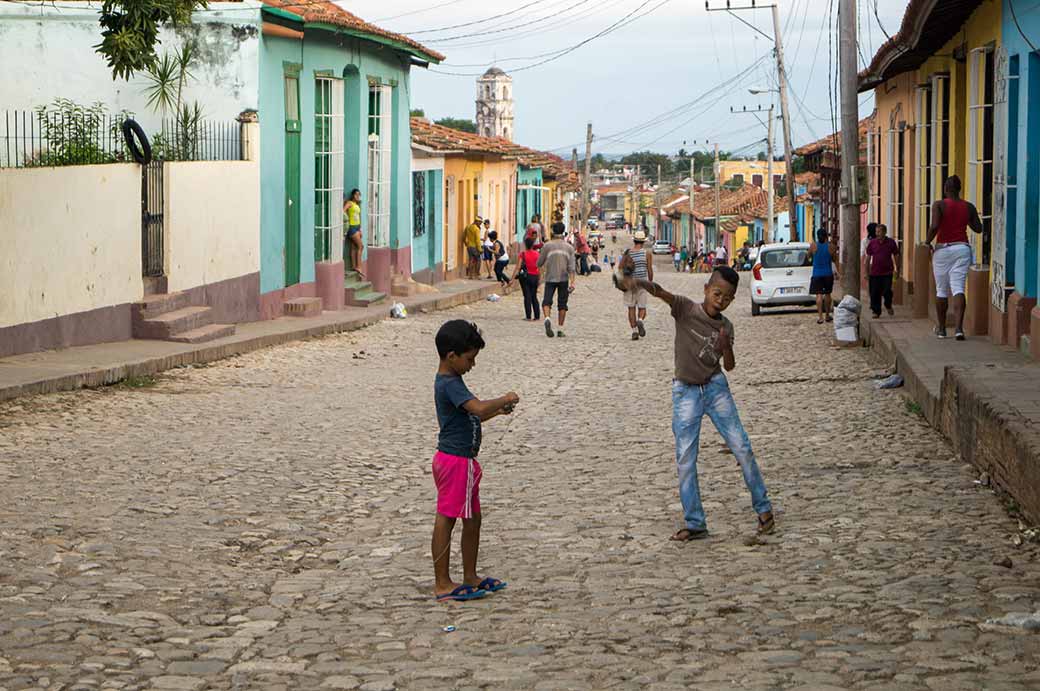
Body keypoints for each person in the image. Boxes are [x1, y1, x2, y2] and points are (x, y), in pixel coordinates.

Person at [617, 267, 774, 541]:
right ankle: (695, 521)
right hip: (686, 391)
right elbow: (661, 293)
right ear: (705, 289)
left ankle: (765, 511)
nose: (720, 301)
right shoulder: (686, 309)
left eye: (727, 298)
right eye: (717, 294)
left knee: (742, 447)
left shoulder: (727, 326)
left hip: (715, 388)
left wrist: (726, 346)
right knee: (686, 459)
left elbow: (730, 366)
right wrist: (638, 282)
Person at [431, 320, 518, 602]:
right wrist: (503, 397)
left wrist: (498, 412)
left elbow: (476, 415)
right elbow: (478, 407)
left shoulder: (454, 381)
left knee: (473, 519)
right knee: (447, 519)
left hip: (463, 463)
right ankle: (442, 583)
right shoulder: (449, 384)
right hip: (455, 462)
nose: (472, 365)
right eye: (470, 359)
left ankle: (470, 575)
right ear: (451, 356)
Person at [927, 175, 983, 340]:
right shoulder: (969, 206)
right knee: (958, 287)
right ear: (960, 189)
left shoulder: (939, 205)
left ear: (945, 188)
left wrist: (926, 241)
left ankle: (942, 329)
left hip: (943, 249)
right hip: (962, 249)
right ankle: (959, 329)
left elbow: (935, 226)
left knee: (941, 290)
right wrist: (967, 218)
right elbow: (978, 228)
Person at [538, 221, 577, 338]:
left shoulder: (547, 246)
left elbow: (539, 263)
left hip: (550, 278)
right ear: (563, 231)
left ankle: (547, 318)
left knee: (546, 301)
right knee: (562, 304)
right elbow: (572, 268)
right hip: (564, 279)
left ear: (553, 232)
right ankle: (560, 329)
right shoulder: (569, 248)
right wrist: (572, 282)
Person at [621, 230, 654, 341]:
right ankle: (640, 320)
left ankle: (634, 331)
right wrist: (650, 283)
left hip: (630, 283)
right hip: (642, 283)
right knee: (642, 307)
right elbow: (649, 269)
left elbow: (621, 268)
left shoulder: (628, 253)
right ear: (643, 241)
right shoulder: (647, 253)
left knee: (631, 308)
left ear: (634, 240)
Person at [866, 223, 900, 319]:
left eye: (879, 232)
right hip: (875, 272)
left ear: (885, 232)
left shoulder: (891, 242)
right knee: (874, 293)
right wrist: (866, 272)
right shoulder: (872, 243)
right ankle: (876, 311)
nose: (877, 234)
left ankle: (888, 305)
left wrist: (898, 269)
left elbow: (896, 255)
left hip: (887, 272)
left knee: (887, 291)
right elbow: (868, 258)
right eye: (876, 232)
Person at [808, 228, 839, 324]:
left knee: (819, 295)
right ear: (826, 236)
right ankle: (827, 315)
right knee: (828, 294)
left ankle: (820, 317)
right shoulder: (831, 247)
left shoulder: (813, 246)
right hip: (828, 274)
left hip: (817, 274)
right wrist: (839, 272)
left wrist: (812, 258)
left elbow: (808, 256)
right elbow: (835, 260)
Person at [510, 236, 541, 321]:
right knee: (534, 296)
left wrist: (512, 279)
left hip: (526, 277)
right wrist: (539, 279)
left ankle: (528, 316)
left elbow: (518, 267)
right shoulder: (537, 254)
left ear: (525, 245)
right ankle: (537, 316)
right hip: (535, 276)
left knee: (527, 296)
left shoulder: (523, 254)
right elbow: (540, 267)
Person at [343, 189, 364, 278]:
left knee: (354, 247)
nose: (357, 196)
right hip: (351, 227)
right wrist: (346, 220)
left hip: (357, 227)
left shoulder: (357, 205)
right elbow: (343, 211)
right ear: (353, 195)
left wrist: (360, 229)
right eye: (356, 195)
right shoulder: (349, 203)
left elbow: (358, 217)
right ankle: (359, 267)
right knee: (360, 246)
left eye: (359, 195)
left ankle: (354, 266)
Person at [464, 215, 483, 279]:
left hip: (469, 246)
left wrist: (465, 243)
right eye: (480, 222)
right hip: (474, 247)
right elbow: (477, 240)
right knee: (478, 260)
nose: (480, 224)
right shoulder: (476, 229)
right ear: (477, 221)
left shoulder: (468, 227)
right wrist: (480, 249)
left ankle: (470, 275)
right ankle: (477, 275)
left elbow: (464, 236)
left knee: (471, 260)